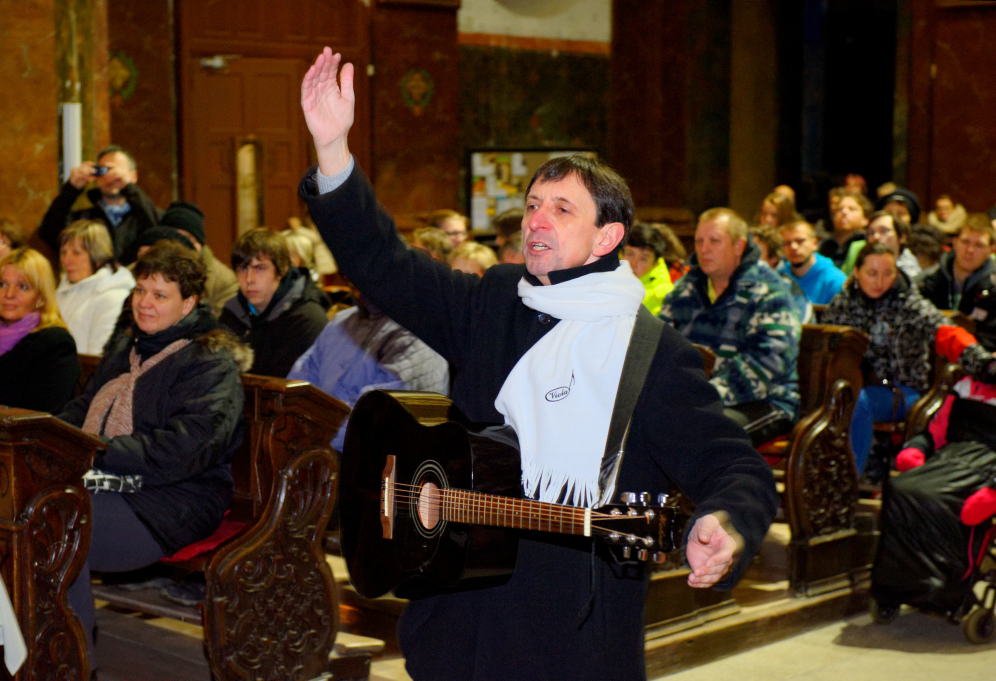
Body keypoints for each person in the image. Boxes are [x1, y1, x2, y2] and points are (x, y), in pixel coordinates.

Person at [298, 47, 776, 681]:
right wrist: (333, 150)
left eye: (561, 209)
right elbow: (386, 265)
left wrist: (728, 523)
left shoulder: (650, 352)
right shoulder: (497, 300)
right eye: (531, 205)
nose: (536, 221)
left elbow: (733, 463)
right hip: (459, 613)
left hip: (567, 633)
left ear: (607, 237)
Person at [59, 241, 250, 671]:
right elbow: (82, 409)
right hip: (114, 484)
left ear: (189, 304)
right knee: (35, 508)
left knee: (60, 522)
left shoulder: (209, 361)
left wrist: (95, 452)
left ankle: (69, 665)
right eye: (140, 290)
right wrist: (50, 438)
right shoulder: (128, 349)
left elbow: (185, 450)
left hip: (177, 499)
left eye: (160, 294)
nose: (144, 302)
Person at [821, 243, 995, 475]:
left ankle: (850, 478)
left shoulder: (909, 304)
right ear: (856, 272)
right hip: (853, 385)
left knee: (856, 401)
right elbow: (823, 346)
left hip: (903, 391)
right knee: (835, 397)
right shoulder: (843, 304)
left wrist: (984, 363)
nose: (880, 281)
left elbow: (947, 334)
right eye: (872, 273)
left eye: (888, 273)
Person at [660, 208, 802, 448]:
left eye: (714, 241)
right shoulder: (686, 289)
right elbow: (661, 346)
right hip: (694, 398)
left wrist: (700, 395)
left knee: (699, 430)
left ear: (738, 246)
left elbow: (768, 364)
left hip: (766, 400)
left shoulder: (769, 291)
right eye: (699, 241)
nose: (704, 249)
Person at [288, 293, 450, 451]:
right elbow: (299, 385)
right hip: (318, 448)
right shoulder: (342, 320)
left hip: (374, 461)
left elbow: (372, 421)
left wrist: (309, 433)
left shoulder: (416, 332)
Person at [0, 248, 79, 413]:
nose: (9, 294)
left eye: (23, 287)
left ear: (40, 297)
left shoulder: (54, 345)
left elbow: (41, 418)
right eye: (2, 284)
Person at [220, 228, 329, 377]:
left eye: (260, 269)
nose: (249, 279)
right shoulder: (232, 313)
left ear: (282, 270)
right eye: (242, 269)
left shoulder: (308, 321)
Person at [38, 145, 161, 265]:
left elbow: (160, 232)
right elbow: (49, 233)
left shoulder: (145, 215)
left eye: (116, 171)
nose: (110, 177)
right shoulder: (85, 218)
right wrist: (71, 189)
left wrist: (129, 188)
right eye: (103, 171)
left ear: (133, 176)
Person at [55, 221, 136, 355]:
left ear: (98, 257)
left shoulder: (113, 296)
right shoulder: (61, 291)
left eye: (76, 253)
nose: (66, 260)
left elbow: (97, 357)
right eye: (63, 252)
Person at [919, 214, 996, 352]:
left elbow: (991, 340)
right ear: (954, 243)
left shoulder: (993, 289)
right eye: (965, 242)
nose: (970, 250)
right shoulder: (927, 280)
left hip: (977, 357)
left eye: (979, 245)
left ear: (990, 250)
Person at [156, 201, 238, 316]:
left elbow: (224, 322)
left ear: (198, 243)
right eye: (172, 238)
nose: (179, 245)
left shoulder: (224, 281)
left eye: (187, 239)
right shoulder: (142, 271)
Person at [778, 220, 846, 306]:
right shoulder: (777, 277)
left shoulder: (835, 281)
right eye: (787, 243)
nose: (793, 247)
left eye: (800, 241)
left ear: (814, 243)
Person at [623, 222, 673, 315]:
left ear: (655, 263)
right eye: (630, 254)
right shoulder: (605, 278)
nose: (633, 264)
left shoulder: (665, 296)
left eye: (643, 259)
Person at [819, 190, 870, 273]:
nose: (844, 212)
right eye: (839, 209)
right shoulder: (824, 245)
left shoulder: (867, 244)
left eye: (852, 209)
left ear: (865, 219)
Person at [861, 210, 921, 279]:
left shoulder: (910, 272)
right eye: (871, 233)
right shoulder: (862, 264)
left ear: (902, 237)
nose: (876, 237)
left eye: (884, 231)